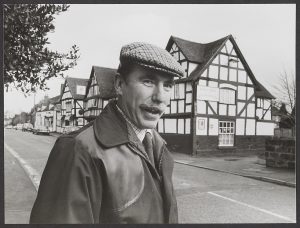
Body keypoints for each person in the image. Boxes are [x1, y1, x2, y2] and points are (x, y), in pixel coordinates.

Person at [29, 42, 185, 224]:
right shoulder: (79, 149)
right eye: (148, 81)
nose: (160, 97)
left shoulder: (160, 149)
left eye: (167, 85)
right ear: (119, 84)